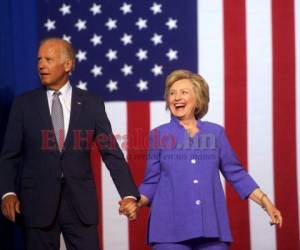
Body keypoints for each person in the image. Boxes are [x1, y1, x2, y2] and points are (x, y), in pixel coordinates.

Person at [0, 38, 139, 250]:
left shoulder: (91, 103)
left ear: (68, 65)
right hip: (37, 204)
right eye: (39, 59)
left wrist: (128, 194)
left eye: (48, 59)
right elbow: (10, 155)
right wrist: (7, 192)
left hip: (80, 205)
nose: (41, 65)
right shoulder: (23, 104)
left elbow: (110, 151)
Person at [136, 70, 283, 250]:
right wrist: (135, 202)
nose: (176, 97)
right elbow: (151, 181)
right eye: (172, 93)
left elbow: (236, 174)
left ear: (198, 98)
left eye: (184, 92)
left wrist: (266, 203)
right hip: (168, 230)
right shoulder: (158, 135)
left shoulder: (216, 133)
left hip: (211, 228)